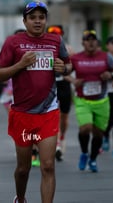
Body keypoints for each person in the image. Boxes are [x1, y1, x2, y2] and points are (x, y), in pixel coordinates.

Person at [0, 1, 71, 203]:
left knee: (47, 165)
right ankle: (20, 198)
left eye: (41, 17)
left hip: (48, 111)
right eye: (33, 17)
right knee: (23, 168)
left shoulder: (55, 40)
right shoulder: (13, 42)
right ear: (25, 21)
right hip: (23, 114)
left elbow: (68, 65)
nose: (38, 21)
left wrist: (64, 68)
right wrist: (20, 64)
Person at [67, 30, 113, 172]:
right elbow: (65, 73)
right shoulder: (76, 58)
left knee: (99, 133)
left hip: (101, 100)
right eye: (88, 39)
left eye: (93, 39)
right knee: (85, 128)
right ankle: (84, 153)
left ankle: (93, 159)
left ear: (97, 42)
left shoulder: (106, 57)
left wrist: (109, 75)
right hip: (83, 100)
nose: (91, 42)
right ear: (83, 43)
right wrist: (74, 80)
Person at [47, 25, 74, 161]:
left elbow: (72, 68)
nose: (55, 36)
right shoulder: (45, 48)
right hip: (51, 84)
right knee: (54, 114)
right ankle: (56, 144)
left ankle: (62, 137)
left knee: (64, 116)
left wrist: (70, 77)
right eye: (52, 33)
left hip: (64, 84)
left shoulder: (68, 49)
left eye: (57, 33)